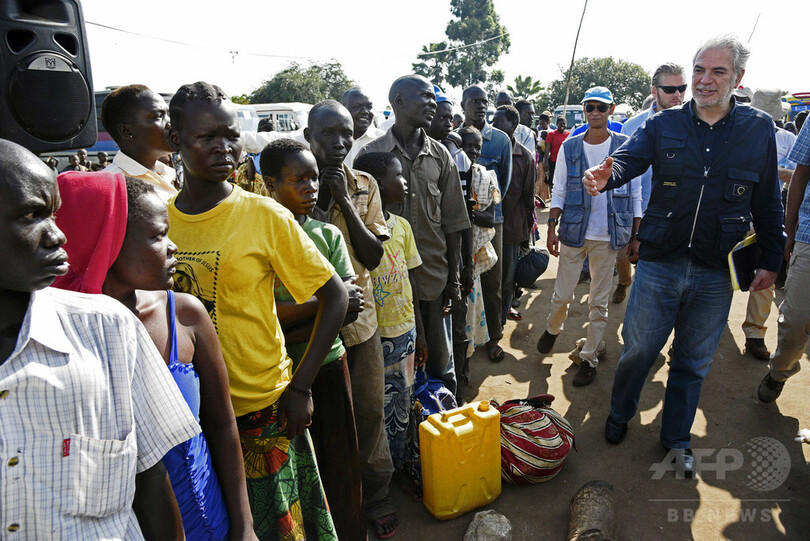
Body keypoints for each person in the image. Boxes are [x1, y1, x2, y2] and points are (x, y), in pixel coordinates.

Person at [583, 36, 784, 475]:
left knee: (692, 362)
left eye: (718, 72)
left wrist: (772, 258)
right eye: (699, 70)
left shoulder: (757, 129)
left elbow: (768, 200)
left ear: (739, 79)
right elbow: (626, 161)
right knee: (638, 349)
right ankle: (620, 413)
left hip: (716, 271)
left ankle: (675, 438)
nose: (704, 80)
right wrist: (606, 174)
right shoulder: (663, 124)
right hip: (659, 262)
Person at [167, 81, 348, 540]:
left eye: (230, 135)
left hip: (262, 409)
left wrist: (301, 387)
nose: (223, 148)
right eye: (206, 137)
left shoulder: (264, 215)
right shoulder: (160, 219)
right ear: (175, 141)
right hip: (191, 415)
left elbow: (336, 295)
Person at [0, 138, 200, 540]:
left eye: (54, 215)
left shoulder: (109, 329)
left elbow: (152, 482)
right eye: (32, 216)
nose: (58, 236)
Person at [52, 172, 256, 541]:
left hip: (211, 520)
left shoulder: (184, 315)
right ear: (107, 243)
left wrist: (244, 527)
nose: (174, 246)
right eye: (158, 236)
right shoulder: (60, 341)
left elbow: (222, 425)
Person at [262, 139, 367, 541]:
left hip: (327, 364)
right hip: (278, 375)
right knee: (297, 471)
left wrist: (295, 320)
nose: (311, 188)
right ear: (271, 183)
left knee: (341, 465)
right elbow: (266, 317)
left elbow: (350, 310)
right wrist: (324, 304)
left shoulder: (326, 235)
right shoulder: (262, 236)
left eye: (313, 179)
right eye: (298, 180)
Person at [304, 100, 399, 539]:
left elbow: (375, 255)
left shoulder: (364, 184)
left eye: (346, 133)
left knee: (368, 414)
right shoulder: (285, 183)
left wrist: (343, 197)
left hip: (359, 327)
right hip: (302, 329)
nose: (340, 142)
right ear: (309, 135)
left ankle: (375, 498)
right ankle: (327, 506)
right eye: (329, 133)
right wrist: (320, 197)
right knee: (318, 421)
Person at [361, 75, 470, 399]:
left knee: (440, 361)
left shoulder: (441, 156)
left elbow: (454, 222)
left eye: (433, 98)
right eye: (423, 96)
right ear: (398, 102)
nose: (432, 103)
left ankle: (446, 423)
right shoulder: (371, 155)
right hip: (387, 285)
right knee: (394, 369)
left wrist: (455, 278)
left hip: (432, 278)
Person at [536, 87, 641, 387]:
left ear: (611, 110)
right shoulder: (570, 147)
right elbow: (558, 190)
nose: (595, 113)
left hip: (609, 235)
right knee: (562, 294)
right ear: (584, 110)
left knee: (598, 302)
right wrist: (552, 227)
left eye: (601, 107)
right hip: (573, 230)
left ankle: (590, 356)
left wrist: (635, 235)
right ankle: (553, 329)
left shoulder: (624, 146)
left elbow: (635, 192)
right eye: (590, 107)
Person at [355, 151, 427, 496]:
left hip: (407, 331)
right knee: (379, 411)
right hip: (375, 337)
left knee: (404, 401)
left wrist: (422, 334)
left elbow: (411, 283)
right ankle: (382, 477)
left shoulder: (403, 227)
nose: (404, 182)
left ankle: (400, 465)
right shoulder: (359, 231)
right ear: (377, 185)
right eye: (398, 177)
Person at [615, 63, 687, 304]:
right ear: (655, 91)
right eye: (670, 89)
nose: (678, 95)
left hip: (679, 221)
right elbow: (625, 175)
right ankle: (625, 283)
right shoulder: (632, 126)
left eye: (682, 88)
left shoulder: (696, 126)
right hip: (641, 215)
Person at [741, 89, 796, 359]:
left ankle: (755, 333)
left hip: (770, 217)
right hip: (737, 214)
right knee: (723, 272)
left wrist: (775, 171)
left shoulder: (789, 139)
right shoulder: (741, 133)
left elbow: (796, 176)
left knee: (766, 274)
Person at [758, 119, 810, 402]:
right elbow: (801, 174)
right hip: (809, 235)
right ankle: (780, 371)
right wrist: (789, 230)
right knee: (796, 319)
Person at [461, 84, 512, 362]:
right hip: (460, 222)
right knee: (465, 278)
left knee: (493, 281)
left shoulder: (501, 140)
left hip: (492, 221)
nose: (480, 106)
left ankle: (494, 337)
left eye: (484, 101)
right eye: (474, 101)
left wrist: (484, 210)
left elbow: (502, 182)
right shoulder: (456, 137)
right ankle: (465, 336)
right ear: (462, 105)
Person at [457, 126, 501, 366]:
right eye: (468, 146)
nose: (473, 151)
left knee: (474, 296)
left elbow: (490, 218)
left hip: (475, 246)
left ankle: (471, 346)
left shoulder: (485, 176)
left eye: (477, 147)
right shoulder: (452, 171)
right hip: (456, 248)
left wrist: (467, 210)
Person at [491, 105, 537, 323]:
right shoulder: (487, 151)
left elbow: (529, 197)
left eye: (498, 121)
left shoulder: (524, 157)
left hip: (511, 227)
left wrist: (527, 229)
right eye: (493, 121)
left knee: (507, 278)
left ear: (513, 125)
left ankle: (499, 320)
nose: (493, 125)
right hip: (487, 225)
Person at [100, 85, 179, 202]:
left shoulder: (166, 174)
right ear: (127, 131)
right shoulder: (110, 187)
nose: (170, 123)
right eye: (158, 116)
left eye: (168, 115)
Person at [343, 87, 386, 167]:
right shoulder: (331, 139)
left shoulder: (384, 141)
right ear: (344, 109)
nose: (365, 111)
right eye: (357, 106)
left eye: (369, 107)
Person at [544, 116, 568, 188]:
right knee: (553, 180)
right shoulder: (551, 134)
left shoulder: (569, 135)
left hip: (565, 161)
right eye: (560, 124)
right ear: (557, 124)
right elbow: (547, 149)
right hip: (554, 161)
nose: (562, 126)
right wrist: (546, 162)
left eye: (564, 124)